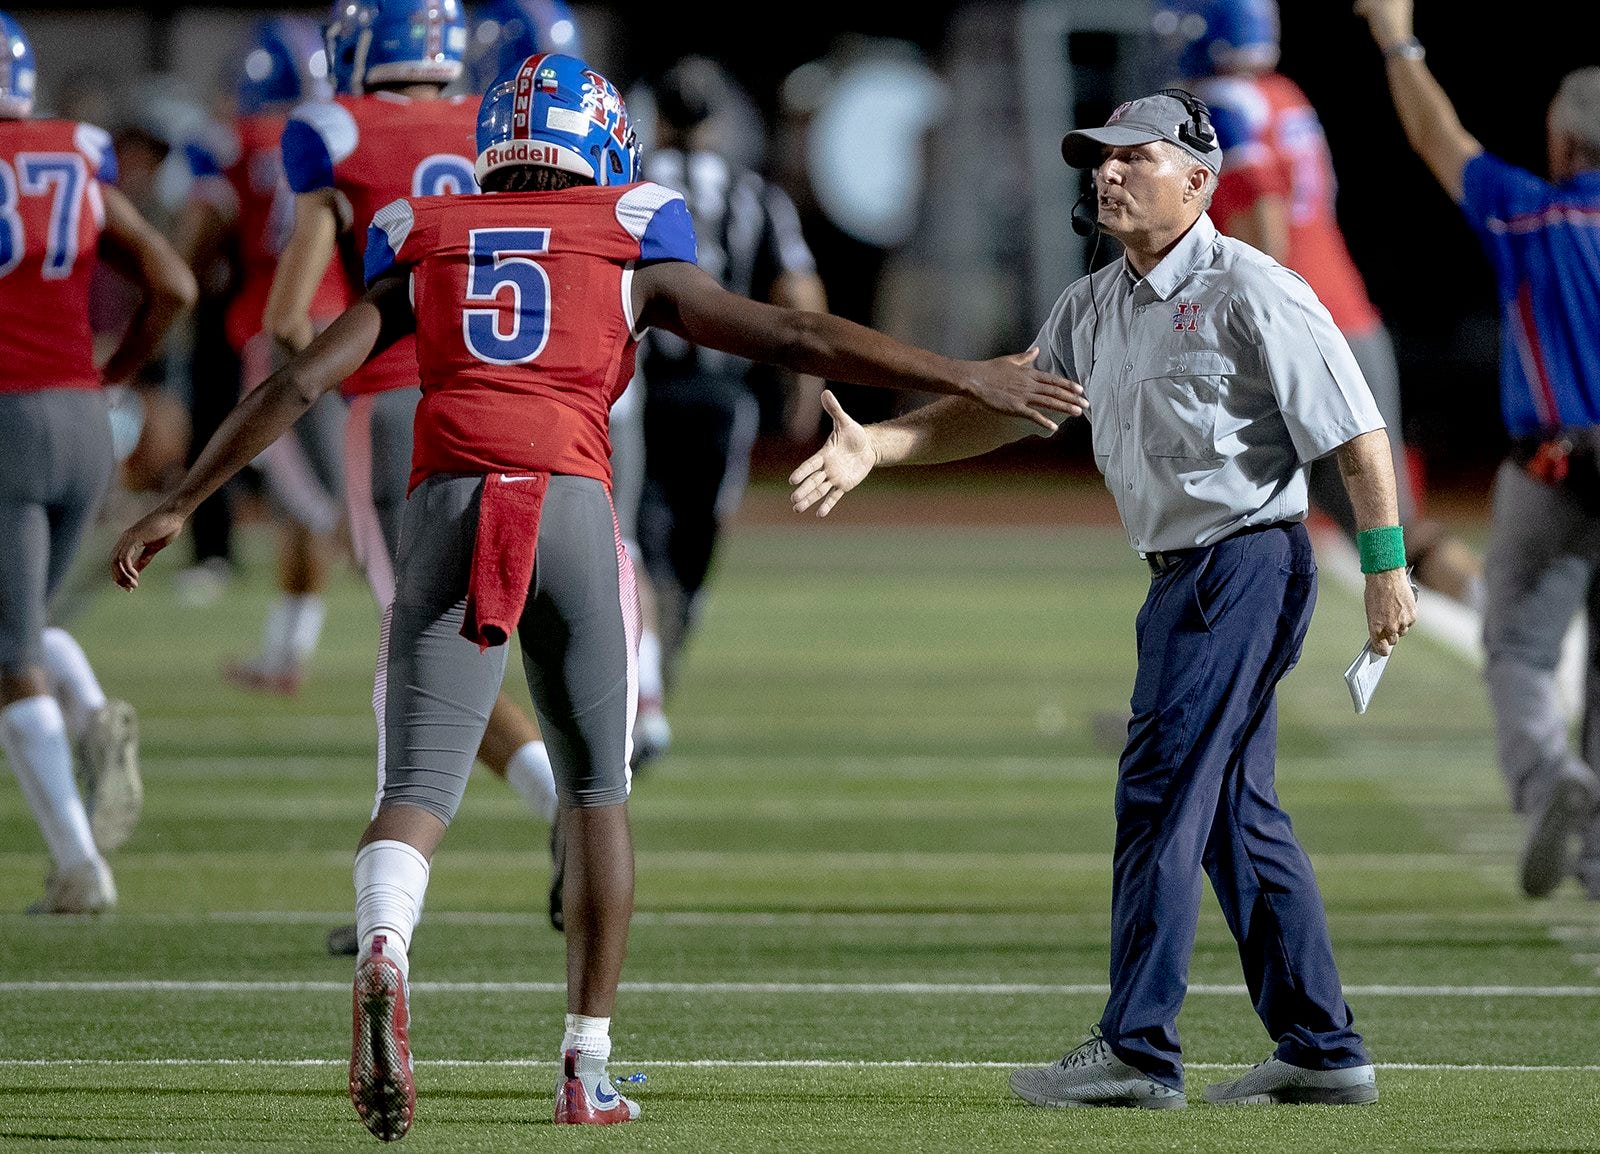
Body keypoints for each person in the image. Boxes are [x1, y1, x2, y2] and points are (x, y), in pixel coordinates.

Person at [110, 50, 1081, 1135]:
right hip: (565, 502)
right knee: (595, 791)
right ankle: (586, 1066)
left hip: (439, 498)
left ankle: (386, 941)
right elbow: (800, 334)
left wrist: (180, 501)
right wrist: (966, 374)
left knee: (418, 781)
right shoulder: (631, 233)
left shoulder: (427, 237)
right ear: (599, 143)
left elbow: (296, 379)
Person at [791, 88, 1417, 1108]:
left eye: (1135, 157)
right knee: (1230, 814)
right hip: (1186, 577)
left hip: (1242, 563)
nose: (1109, 172)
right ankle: (1319, 1044)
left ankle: (1138, 1048)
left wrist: (1385, 565)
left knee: (1160, 794)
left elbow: (1356, 433)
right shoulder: (1095, 300)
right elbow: (1004, 405)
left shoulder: (1251, 288)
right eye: (1102, 158)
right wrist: (883, 442)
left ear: (1198, 180)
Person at [268, 0, 561, 950]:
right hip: (508, 401)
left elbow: (284, 316)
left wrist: (333, 381)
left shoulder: (337, 131)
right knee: (451, 639)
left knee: (414, 650)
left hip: (397, 405)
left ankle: (394, 882)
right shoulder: (495, 120)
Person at [1354, 0, 1600, 899]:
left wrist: (1396, 37)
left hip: (1556, 462)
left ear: (1563, 144)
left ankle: (1549, 783)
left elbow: (1436, 133)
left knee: (1523, 653)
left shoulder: (1531, 216)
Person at [1150, 0, 1484, 611]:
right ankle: (1493, 608)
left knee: (1212, 519)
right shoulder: (1281, 93)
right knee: (1384, 532)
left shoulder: (1224, 104)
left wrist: (1241, 324)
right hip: (1347, 318)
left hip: (1295, 335)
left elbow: (1264, 214)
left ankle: (1200, 698)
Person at [0, 9, 196, 911]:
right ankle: (83, 711)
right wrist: (111, 373)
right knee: (22, 623)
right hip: (81, 414)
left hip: (6, 414)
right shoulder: (73, 155)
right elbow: (174, 281)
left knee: (9, 656)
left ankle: (80, 865)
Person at [634, 55, 830, 703]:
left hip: (634, 390)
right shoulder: (752, 194)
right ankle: (665, 645)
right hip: (720, 394)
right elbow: (799, 291)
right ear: (717, 123)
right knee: (698, 531)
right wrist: (807, 381)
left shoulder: (627, 188)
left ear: (656, 118)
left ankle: (647, 659)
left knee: (637, 528)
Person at [176, 14, 352, 695]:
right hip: (347, 324)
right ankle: (285, 654)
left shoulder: (235, 142)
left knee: (324, 506)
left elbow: (195, 235)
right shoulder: (335, 135)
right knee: (314, 504)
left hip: (278, 330)